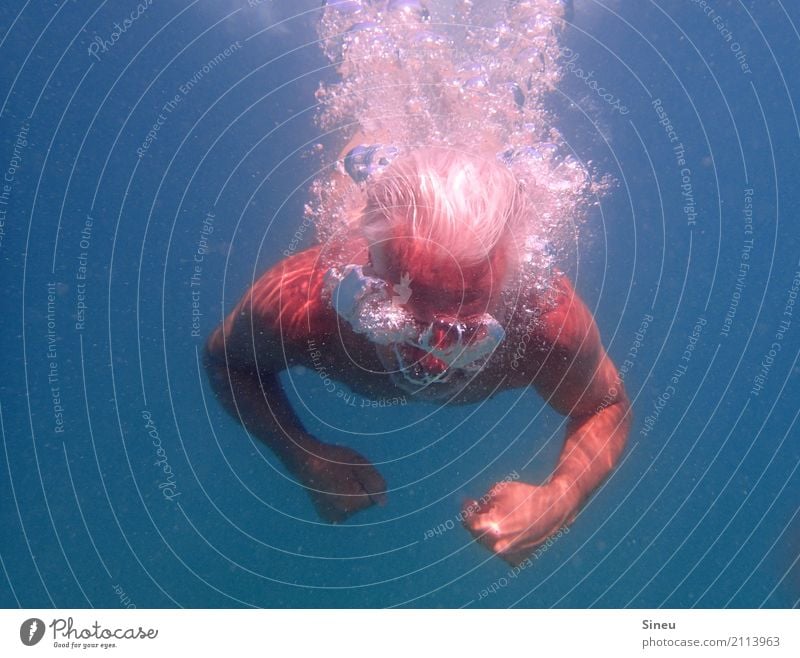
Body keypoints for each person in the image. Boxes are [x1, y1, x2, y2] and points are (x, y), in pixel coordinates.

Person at [205, 145, 631, 566]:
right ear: (367, 271)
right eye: (397, 320)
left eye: (465, 334)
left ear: (508, 290)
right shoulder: (301, 305)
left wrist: (560, 499)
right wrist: (300, 452)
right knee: (359, 155)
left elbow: (606, 404)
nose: (430, 361)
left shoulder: (544, 324)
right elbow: (227, 360)